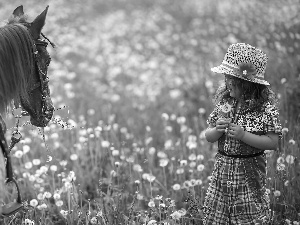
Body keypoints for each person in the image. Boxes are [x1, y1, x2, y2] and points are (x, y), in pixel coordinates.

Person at [203, 43, 282, 224]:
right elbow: (208, 136)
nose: (227, 83)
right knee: (219, 215)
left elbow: (272, 142)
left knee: (247, 214)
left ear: (247, 85)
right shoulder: (225, 104)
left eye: (231, 81)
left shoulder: (264, 110)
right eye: (226, 79)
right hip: (222, 174)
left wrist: (243, 135)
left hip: (248, 173)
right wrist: (217, 130)